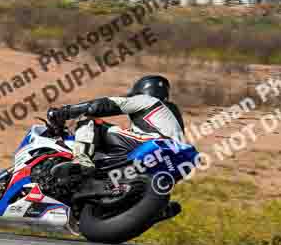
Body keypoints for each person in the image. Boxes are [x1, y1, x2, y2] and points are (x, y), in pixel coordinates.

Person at [47, 75, 186, 220]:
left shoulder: (147, 100)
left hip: (151, 145)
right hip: (170, 164)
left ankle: (82, 161)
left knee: (89, 120)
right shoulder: (173, 118)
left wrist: (63, 112)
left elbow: (102, 105)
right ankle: (149, 207)